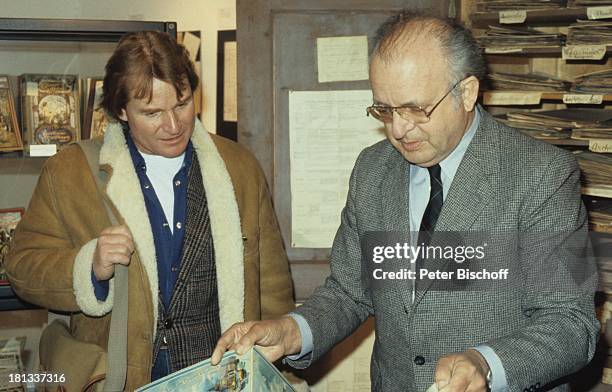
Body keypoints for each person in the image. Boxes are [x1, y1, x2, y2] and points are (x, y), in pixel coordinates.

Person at [212, 11, 599, 392]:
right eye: (384, 109)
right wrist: (293, 330)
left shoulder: (542, 174)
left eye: (416, 109)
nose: (398, 129)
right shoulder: (373, 169)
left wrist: (486, 363)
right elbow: (348, 292)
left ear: (466, 92)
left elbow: (570, 322)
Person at [5, 31, 294, 389]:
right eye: (152, 113)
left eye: (183, 103)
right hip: (118, 380)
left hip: (220, 379)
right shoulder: (70, 172)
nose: (173, 126)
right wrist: (89, 266)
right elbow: (22, 269)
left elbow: (274, 288)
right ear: (122, 111)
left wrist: (282, 373)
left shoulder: (240, 168)